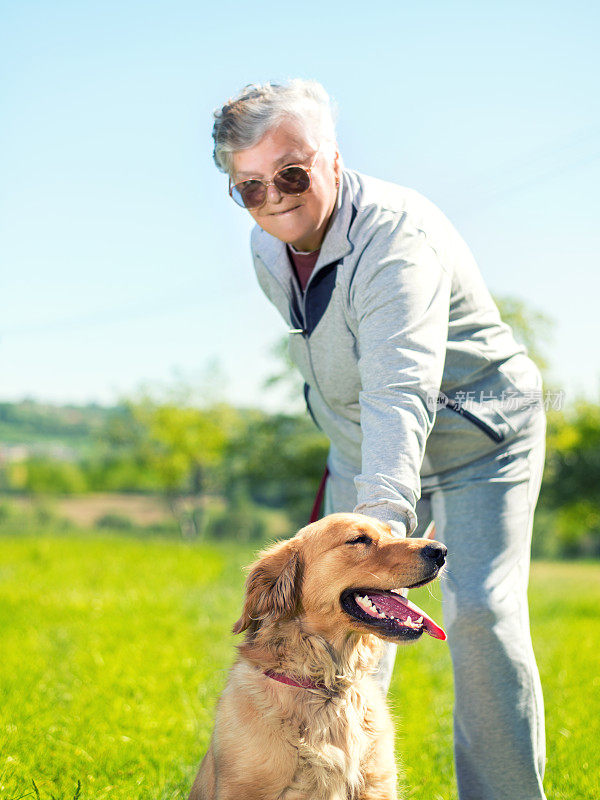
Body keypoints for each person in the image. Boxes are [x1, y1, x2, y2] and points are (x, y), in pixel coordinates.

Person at [211, 78, 548, 800]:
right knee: (343, 621)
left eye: (292, 174)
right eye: (250, 187)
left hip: (479, 439)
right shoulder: (267, 249)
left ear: (331, 158)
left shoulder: (397, 242)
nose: (274, 197)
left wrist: (379, 538)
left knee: (481, 610)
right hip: (364, 444)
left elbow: (400, 388)